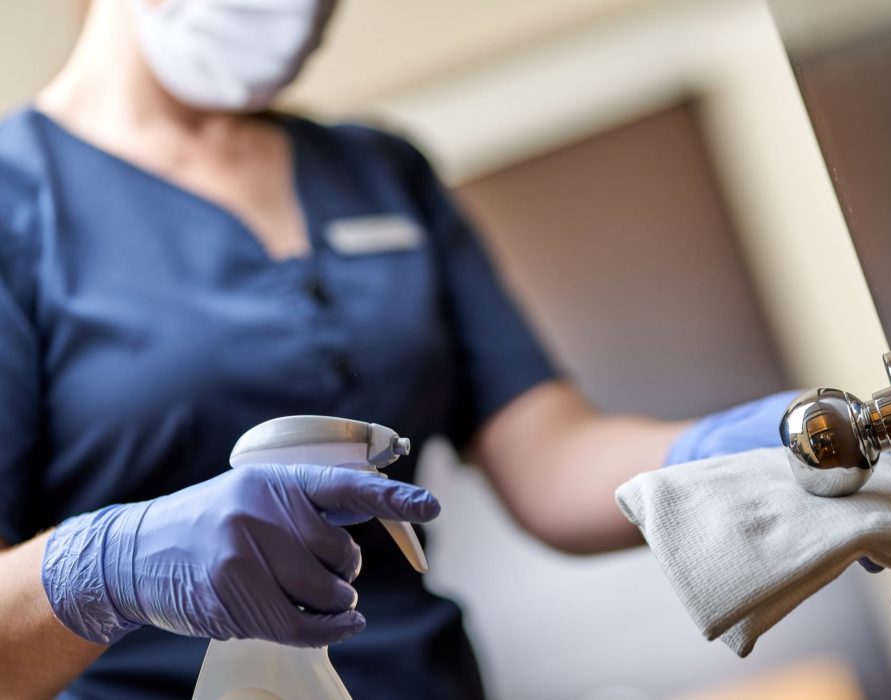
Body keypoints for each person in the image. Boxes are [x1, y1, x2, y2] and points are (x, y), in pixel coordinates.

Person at [0, 1, 794, 698]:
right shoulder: (17, 203)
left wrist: (760, 455)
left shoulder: (378, 171)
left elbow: (550, 460)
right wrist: (106, 568)